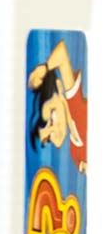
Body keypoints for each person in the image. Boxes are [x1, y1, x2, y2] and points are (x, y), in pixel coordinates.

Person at [29, 40, 87, 173]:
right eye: (48, 138)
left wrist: (44, 68)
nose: (54, 131)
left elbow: (62, 54)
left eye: (52, 117)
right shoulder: (74, 152)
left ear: (60, 88)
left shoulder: (75, 105)